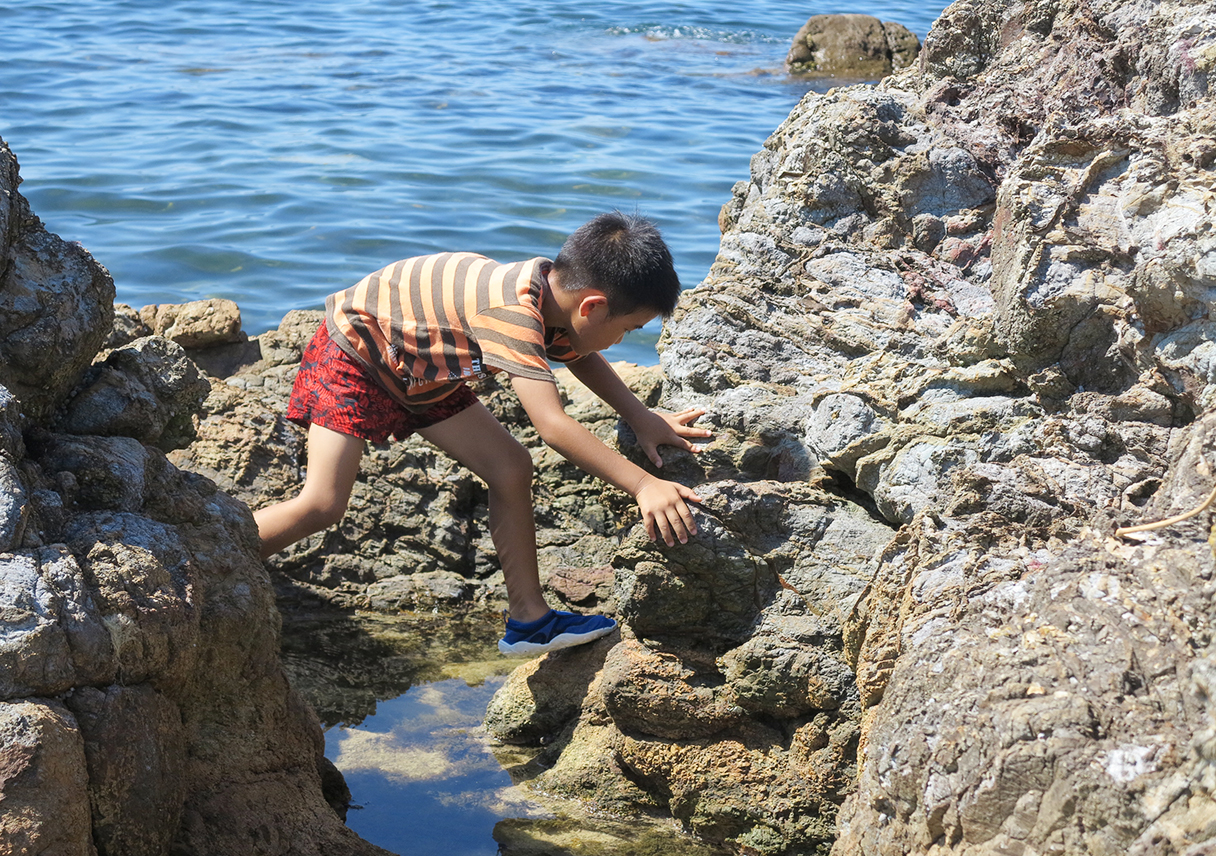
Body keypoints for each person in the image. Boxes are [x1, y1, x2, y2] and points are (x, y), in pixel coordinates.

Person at [254, 211, 711, 656]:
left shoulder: (555, 292)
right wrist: (643, 484)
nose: (621, 341)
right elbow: (552, 425)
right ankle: (217, 550)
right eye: (628, 329)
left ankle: (529, 621)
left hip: (423, 371)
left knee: (510, 467)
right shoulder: (511, 312)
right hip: (355, 359)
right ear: (592, 307)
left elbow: (579, 353)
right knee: (323, 504)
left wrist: (640, 417)